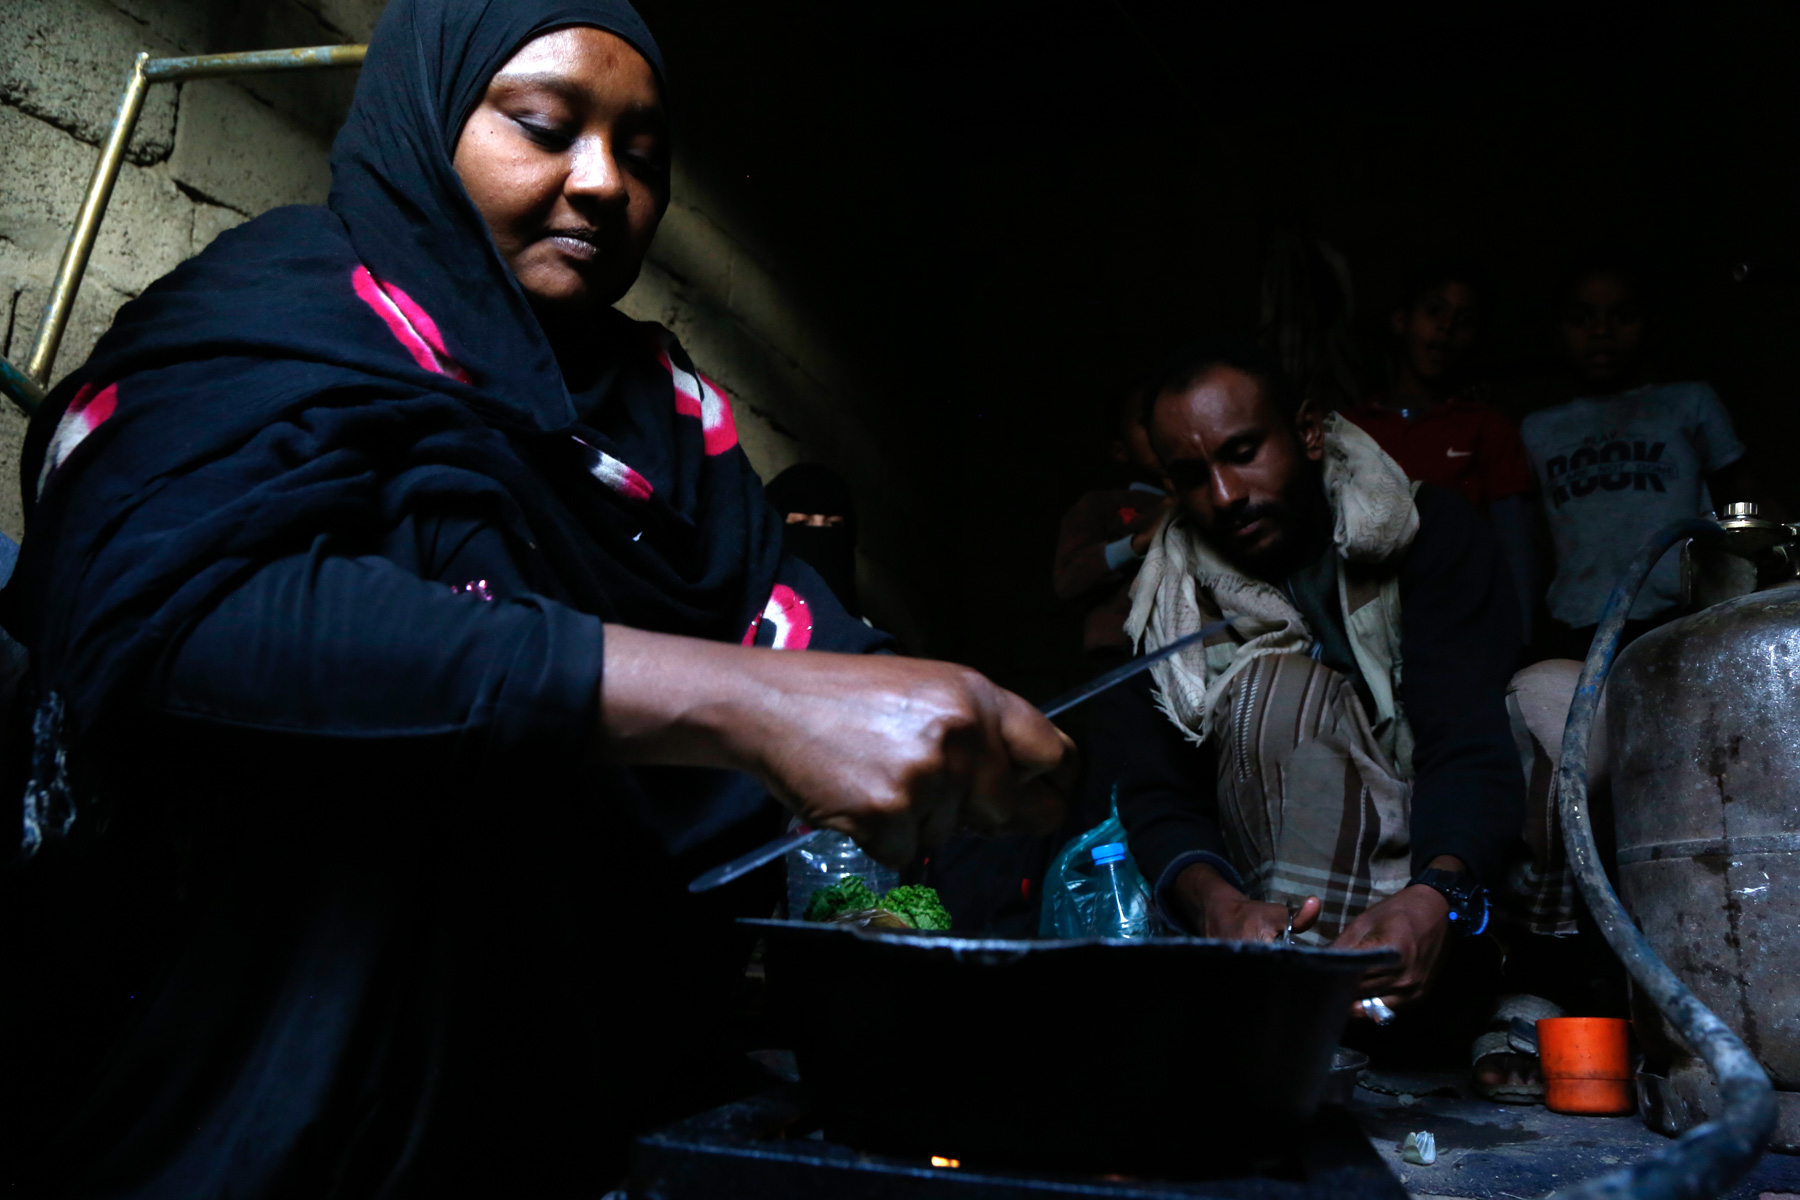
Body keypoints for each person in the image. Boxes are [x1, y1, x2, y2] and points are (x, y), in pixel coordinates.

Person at [0, 2, 1072, 1193]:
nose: (605, 183)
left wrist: (952, 766)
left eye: (647, 157)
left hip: (602, 1103)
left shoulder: (669, 418)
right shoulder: (274, 325)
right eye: (545, 126)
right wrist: (751, 704)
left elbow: (809, 639)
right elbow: (186, 613)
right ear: (426, 121)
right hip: (297, 1108)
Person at [1113, 338, 1581, 1095]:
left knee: (1559, 696)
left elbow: (1465, 737)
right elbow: (1158, 795)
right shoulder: (1166, 603)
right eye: (1193, 475)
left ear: (1306, 433)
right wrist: (1220, 906)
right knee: (1278, 690)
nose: (1225, 495)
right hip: (1302, 909)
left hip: (1454, 894)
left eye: (1242, 451)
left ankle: (1523, 994)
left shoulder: (1432, 530)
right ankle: (1315, 1006)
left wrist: (1438, 892)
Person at [1521, 260, 1755, 660]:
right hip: (1578, 627)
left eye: (1622, 316)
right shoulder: (1537, 429)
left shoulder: (1687, 402)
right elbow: (1533, 538)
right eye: (1582, 318)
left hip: (1683, 616)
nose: (1601, 331)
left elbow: (1745, 499)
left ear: (1649, 324)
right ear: (1558, 331)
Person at [1343, 263, 1537, 644]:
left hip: (1460, 621)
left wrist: (1522, 637)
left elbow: (1515, 544)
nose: (1446, 327)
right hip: (1369, 626)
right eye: (1434, 311)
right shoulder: (1351, 429)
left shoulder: (1485, 426)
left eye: (1463, 321)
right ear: (1401, 320)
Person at [763, 462, 863, 618]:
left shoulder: (870, 638)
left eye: (833, 525)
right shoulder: (734, 631)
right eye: (801, 523)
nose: (819, 537)